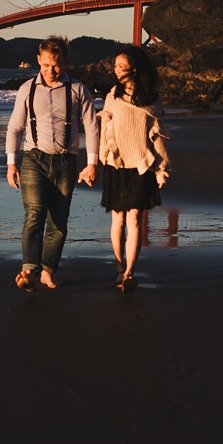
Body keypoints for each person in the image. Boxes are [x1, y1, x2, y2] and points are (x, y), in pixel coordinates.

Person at [5, 36, 99, 291]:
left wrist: (91, 164)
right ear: (38, 60)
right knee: (34, 214)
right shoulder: (27, 89)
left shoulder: (79, 89)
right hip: (34, 159)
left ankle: (47, 271)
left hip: (66, 162)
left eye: (55, 65)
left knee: (58, 221)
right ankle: (28, 269)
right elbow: (15, 128)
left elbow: (91, 127)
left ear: (64, 62)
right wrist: (11, 163)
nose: (50, 71)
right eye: (45, 65)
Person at [97, 45, 170, 293]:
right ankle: (119, 268)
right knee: (118, 220)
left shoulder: (152, 100)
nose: (116, 70)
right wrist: (99, 159)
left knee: (135, 219)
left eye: (120, 66)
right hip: (116, 165)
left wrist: (162, 169)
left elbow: (156, 136)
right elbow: (106, 130)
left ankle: (130, 272)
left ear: (134, 69)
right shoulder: (112, 97)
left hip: (141, 165)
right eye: (115, 66)